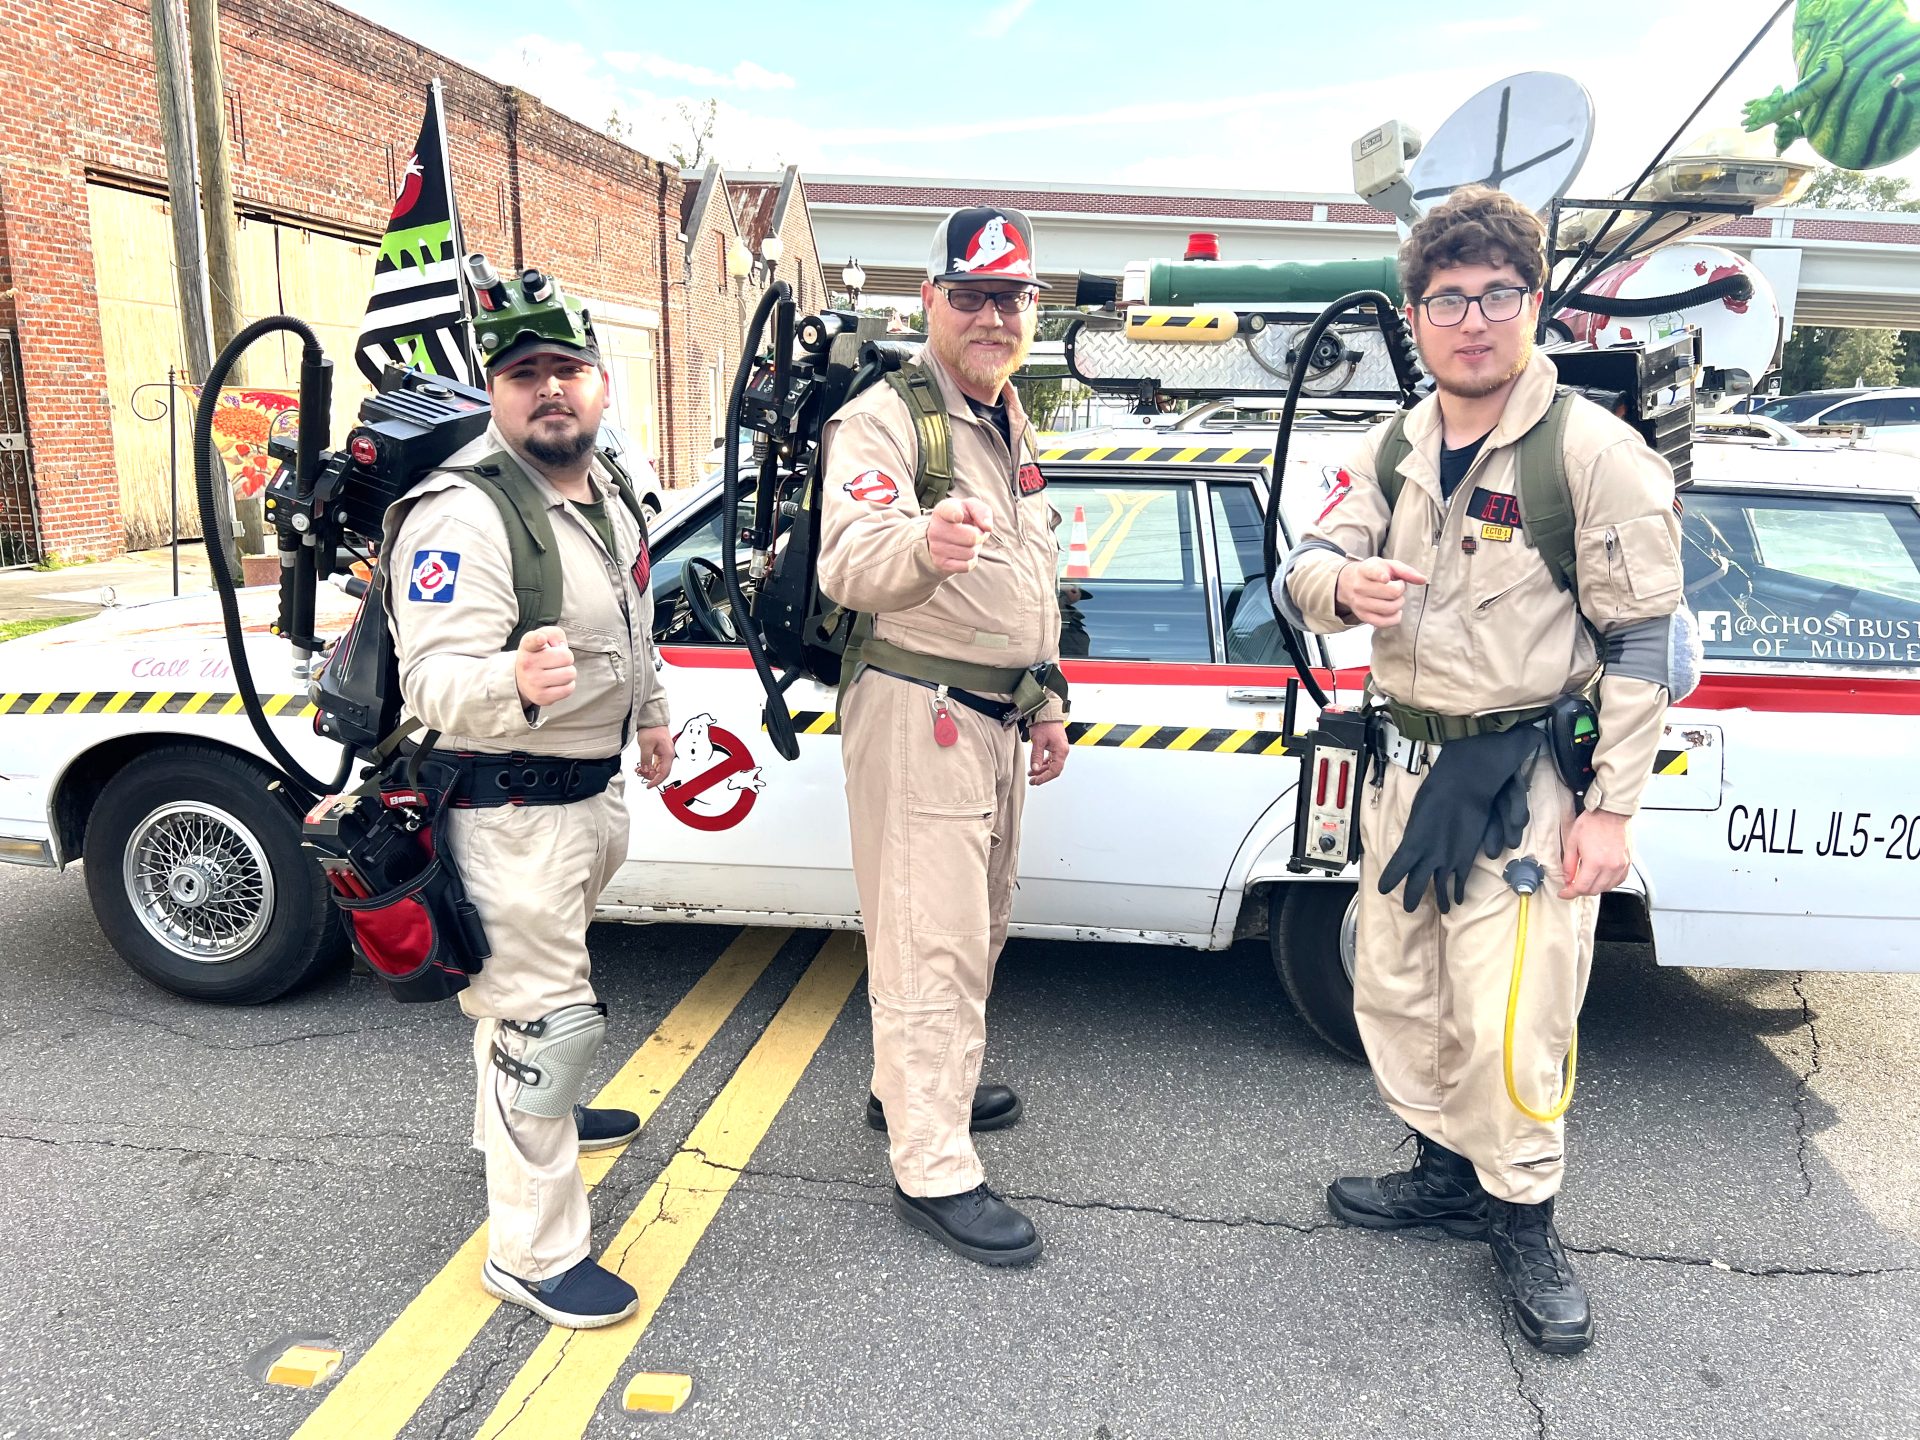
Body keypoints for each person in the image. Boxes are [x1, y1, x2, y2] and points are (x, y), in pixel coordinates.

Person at [1275, 185, 1689, 1353]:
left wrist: (1611, 812)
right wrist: (1340, 586)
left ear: (1534, 303)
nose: (1472, 321)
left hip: (1528, 790)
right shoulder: (1394, 445)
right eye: (1448, 300)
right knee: (1402, 991)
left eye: (1497, 296)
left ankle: (1524, 1220)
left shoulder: (1592, 456)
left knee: (1514, 1017)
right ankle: (1448, 1175)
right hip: (1408, 775)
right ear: (1414, 315)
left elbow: (1644, 642)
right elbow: (1309, 560)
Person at [385, 263, 674, 1329]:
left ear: (601, 384)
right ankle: (534, 1254)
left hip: (586, 800)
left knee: (524, 996)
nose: (549, 388)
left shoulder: (610, 492)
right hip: (509, 813)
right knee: (543, 1022)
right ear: (494, 392)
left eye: (566, 369)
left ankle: (509, 1125)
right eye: (522, 375)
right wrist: (511, 680)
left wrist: (650, 712)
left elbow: (633, 626)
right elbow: (431, 679)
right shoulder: (462, 512)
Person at [818, 206, 1072, 1267]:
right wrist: (924, 544)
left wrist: (1045, 693)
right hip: (919, 708)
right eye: (970, 295)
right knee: (934, 939)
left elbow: (1028, 576)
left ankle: (910, 1087)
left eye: (1011, 298)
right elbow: (850, 560)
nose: (992, 316)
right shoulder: (888, 419)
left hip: (992, 714)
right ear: (930, 301)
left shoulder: (1006, 417)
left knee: (979, 919)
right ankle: (932, 1165)